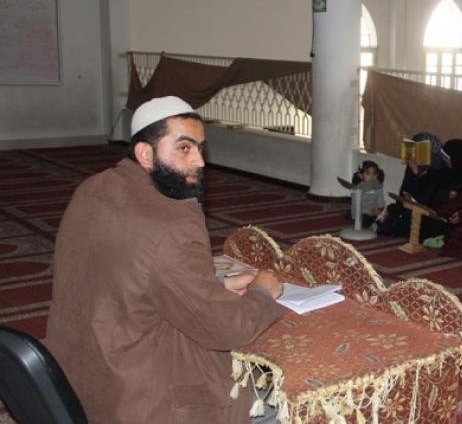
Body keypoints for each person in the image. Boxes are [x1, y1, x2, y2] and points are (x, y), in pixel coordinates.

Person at [45, 96, 285, 424]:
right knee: (283, 401)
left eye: (200, 148)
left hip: (81, 384)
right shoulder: (172, 223)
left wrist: (218, 285)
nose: (199, 161)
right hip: (145, 404)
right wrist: (262, 292)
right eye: (184, 148)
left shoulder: (92, 188)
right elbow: (226, 328)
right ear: (145, 153)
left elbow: (132, 275)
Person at [376, 132, 443, 237]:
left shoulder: (437, 173)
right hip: (408, 208)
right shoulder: (412, 167)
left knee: (390, 226)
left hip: (425, 216)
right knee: (392, 210)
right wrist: (414, 172)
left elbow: (424, 202)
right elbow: (403, 193)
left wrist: (416, 174)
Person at [350, 160, 385, 228]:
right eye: (368, 173)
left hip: (374, 213)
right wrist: (370, 212)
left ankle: (377, 224)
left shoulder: (378, 187)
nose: (372, 176)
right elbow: (356, 208)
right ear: (361, 175)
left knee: (390, 213)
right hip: (361, 213)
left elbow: (380, 203)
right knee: (364, 219)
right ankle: (375, 224)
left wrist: (380, 210)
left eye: (374, 174)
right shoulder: (357, 189)